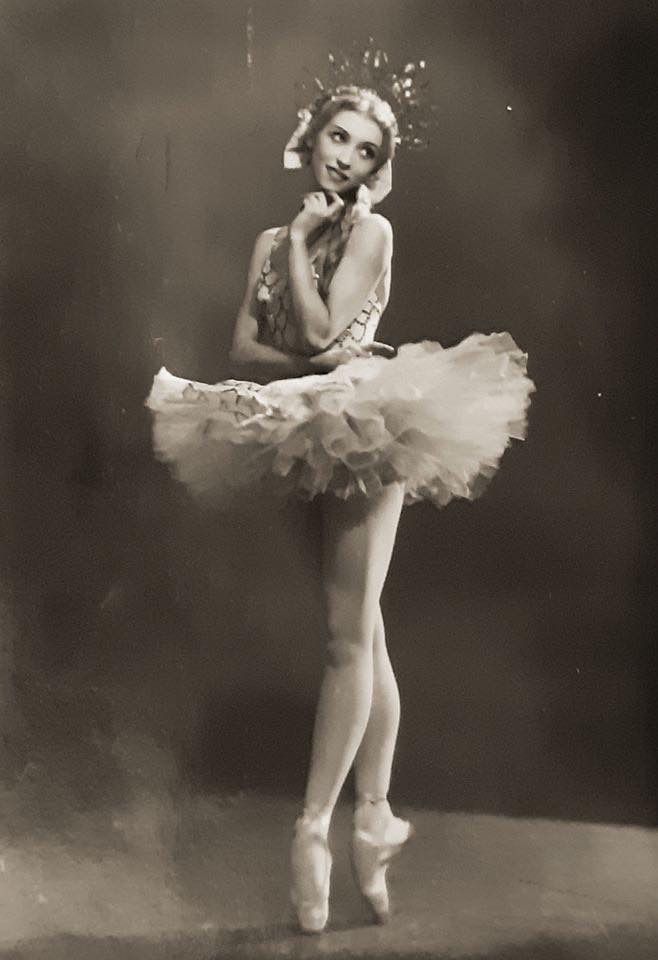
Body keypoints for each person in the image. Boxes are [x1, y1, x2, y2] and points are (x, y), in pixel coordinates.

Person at [145, 61, 535, 935]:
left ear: (375, 168)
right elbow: (251, 346)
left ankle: (314, 828)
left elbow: (324, 334)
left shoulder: (373, 234)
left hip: (368, 421)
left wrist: (300, 263)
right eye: (338, 139)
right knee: (362, 629)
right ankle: (375, 817)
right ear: (311, 136)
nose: (346, 161)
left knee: (344, 635)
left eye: (365, 152)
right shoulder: (272, 236)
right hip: (299, 420)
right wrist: (296, 283)